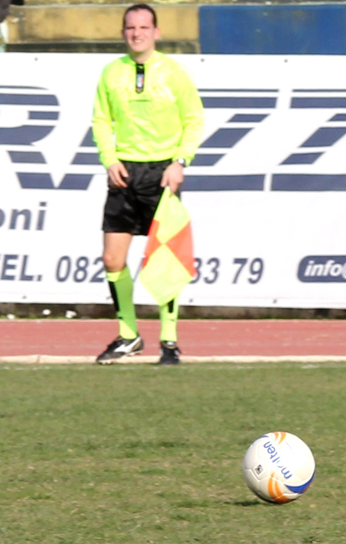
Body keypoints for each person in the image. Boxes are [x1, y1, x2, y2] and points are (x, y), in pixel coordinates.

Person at [91, 3, 204, 366]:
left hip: (163, 174)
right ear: (123, 32)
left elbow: (194, 120)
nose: (136, 33)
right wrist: (109, 159)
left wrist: (180, 161)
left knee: (166, 261)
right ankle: (129, 335)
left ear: (156, 32)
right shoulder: (111, 73)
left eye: (143, 27)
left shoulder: (174, 72)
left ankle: (169, 341)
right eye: (130, 27)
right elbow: (101, 120)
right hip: (124, 171)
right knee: (113, 259)